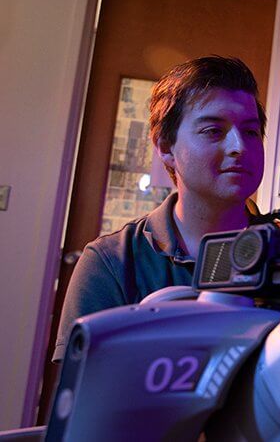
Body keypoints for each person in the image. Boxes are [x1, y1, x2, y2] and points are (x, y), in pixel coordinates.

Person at [53, 56, 267, 362]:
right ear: (166, 147)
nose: (239, 147)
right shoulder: (112, 263)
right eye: (213, 131)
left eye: (250, 132)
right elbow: (84, 401)